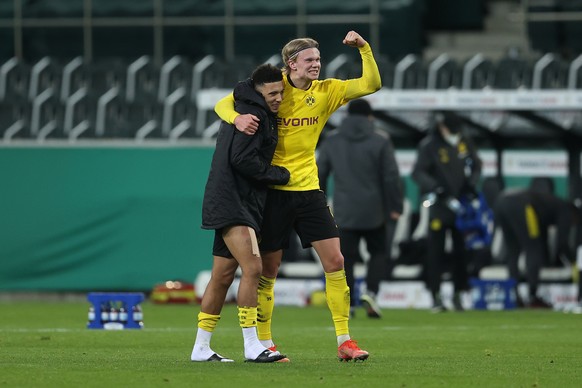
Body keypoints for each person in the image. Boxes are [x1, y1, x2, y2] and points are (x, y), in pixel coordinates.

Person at [214, 30, 381, 361]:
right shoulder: (273, 89)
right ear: (291, 64)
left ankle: (345, 341)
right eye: (310, 60)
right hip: (272, 192)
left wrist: (364, 48)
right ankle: (265, 343)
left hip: (309, 191)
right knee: (269, 271)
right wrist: (238, 117)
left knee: (336, 261)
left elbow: (371, 84)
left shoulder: (327, 91)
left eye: (318, 59)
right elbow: (223, 102)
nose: (317, 65)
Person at [191, 64, 290, 363]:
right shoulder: (254, 116)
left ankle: (200, 348)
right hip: (235, 201)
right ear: (258, 91)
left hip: (229, 199)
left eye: (281, 92)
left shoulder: (244, 109)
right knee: (254, 268)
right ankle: (252, 345)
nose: (278, 97)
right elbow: (243, 160)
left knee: (221, 277)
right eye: (272, 93)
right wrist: (278, 175)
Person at [317, 98, 403, 319]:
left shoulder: (332, 140)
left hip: (344, 210)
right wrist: (395, 206)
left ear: (346, 116)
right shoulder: (381, 140)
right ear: (370, 116)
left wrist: (319, 203)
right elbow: (391, 177)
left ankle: (350, 302)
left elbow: (321, 173)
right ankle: (371, 292)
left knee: (346, 257)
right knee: (378, 252)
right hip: (376, 210)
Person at [411, 111, 482, 312]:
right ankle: (435, 296)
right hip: (439, 207)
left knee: (461, 252)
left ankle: (459, 294)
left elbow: (476, 165)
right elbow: (418, 172)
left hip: (461, 209)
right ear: (442, 128)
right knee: (436, 253)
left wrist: (471, 184)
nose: (455, 134)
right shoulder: (429, 146)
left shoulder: (464, 141)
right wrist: (435, 187)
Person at [493, 188, 579, 308]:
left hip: (501, 202)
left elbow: (542, 235)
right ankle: (533, 296)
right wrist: (573, 262)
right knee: (533, 249)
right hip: (521, 205)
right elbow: (562, 244)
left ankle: (514, 296)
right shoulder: (566, 211)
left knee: (513, 251)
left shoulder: (550, 205)